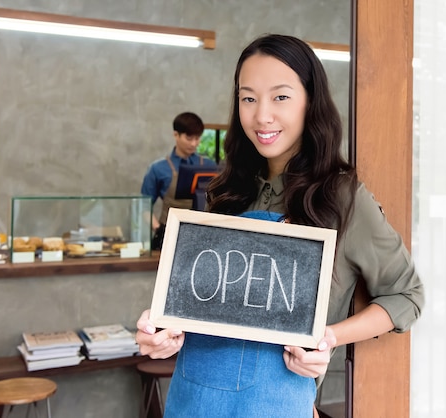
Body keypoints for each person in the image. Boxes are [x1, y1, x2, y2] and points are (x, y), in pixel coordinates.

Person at [135, 34, 424, 417]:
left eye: (281, 97)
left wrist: (328, 338)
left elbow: (407, 294)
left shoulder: (342, 198)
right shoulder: (223, 192)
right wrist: (160, 331)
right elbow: (196, 304)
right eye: (248, 98)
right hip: (193, 402)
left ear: (310, 102)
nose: (262, 116)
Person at [140, 112, 217, 250]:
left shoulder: (209, 166)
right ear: (176, 135)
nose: (194, 143)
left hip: (201, 235)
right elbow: (143, 206)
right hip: (167, 233)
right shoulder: (157, 168)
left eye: (197, 138)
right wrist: (158, 229)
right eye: (189, 138)